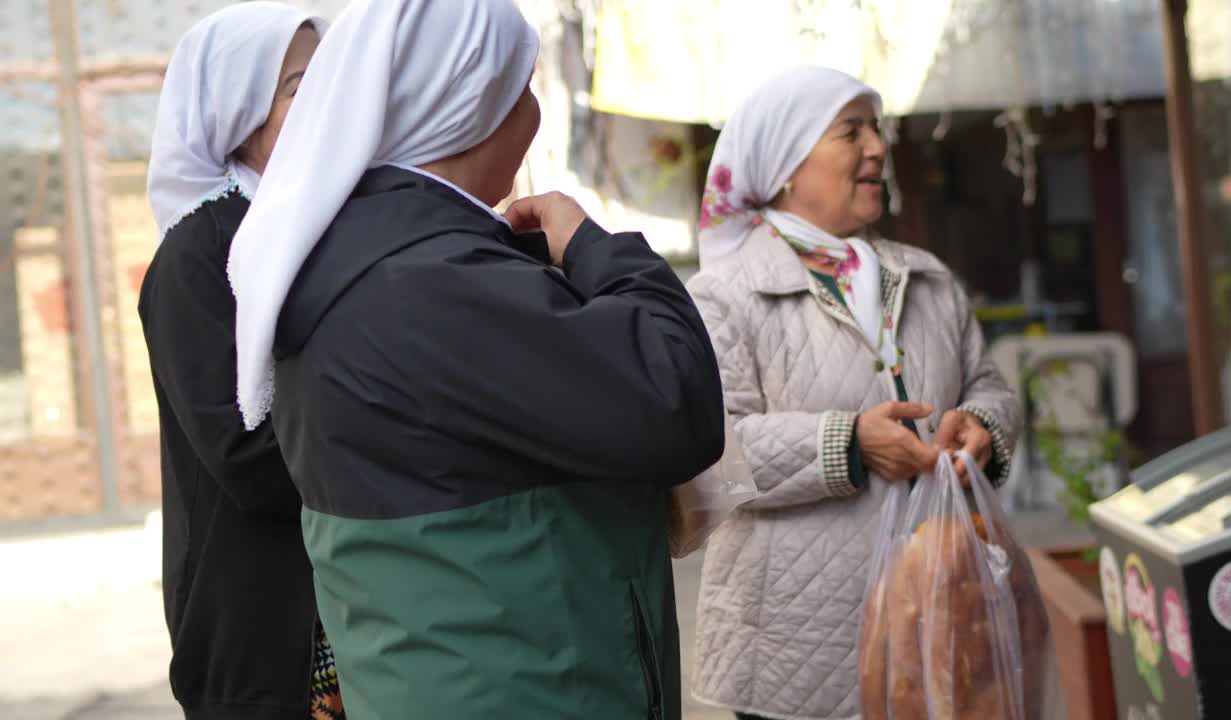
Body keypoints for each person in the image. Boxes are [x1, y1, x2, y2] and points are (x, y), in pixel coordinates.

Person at [225, 0, 727, 717]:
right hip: (532, 687)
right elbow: (675, 401)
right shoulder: (432, 283)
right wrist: (596, 248)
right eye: (521, 87)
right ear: (471, 105)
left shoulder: (353, 259)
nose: (532, 113)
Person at [686, 66, 1021, 720]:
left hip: (940, 617)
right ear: (787, 162)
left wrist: (983, 423)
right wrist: (849, 444)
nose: (877, 147)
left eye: (876, 128)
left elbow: (988, 383)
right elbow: (709, 460)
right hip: (797, 652)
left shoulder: (926, 279)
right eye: (850, 131)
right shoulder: (723, 296)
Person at [137, 4, 344, 719]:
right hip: (263, 631)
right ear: (237, 113)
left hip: (362, 604)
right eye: (295, 87)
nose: (324, 102)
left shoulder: (337, 228)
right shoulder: (199, 254)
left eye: (329, 79)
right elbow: (243, 453)